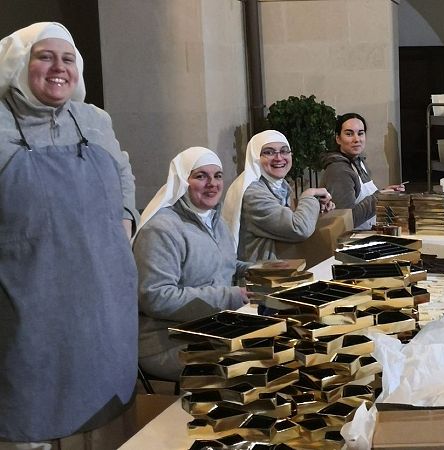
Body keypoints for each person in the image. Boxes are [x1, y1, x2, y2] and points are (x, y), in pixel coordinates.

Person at [0, 23, 138, 447]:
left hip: (102, 300)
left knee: (103, 416)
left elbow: (122, 171)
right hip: (30, 303)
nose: (58, 67)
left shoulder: (94, 119)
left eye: (68, 59)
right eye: (45, 56)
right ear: (20, 63)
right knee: (33, 414)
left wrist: (124, 224)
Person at [134, 147, 250, 380]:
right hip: (168, 342)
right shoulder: (162, 229)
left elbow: (221, 263)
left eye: (217, 176)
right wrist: (231, 297)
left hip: (211, 329)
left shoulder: (214, 219)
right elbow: (156, 297)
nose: (212, 183)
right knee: (256, 361)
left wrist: (260, 272)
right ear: (182, 181)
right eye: (200, 176)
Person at [222, 130, 335, 261]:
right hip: (261, 275)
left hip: (279, 268)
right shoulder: (253, 193)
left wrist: (317, 205)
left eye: (284, 151)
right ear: (255, 158)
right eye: (269, 152)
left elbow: (286, 220)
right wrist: (309, 195)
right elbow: (299, 228)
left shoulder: (280, 185)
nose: (279, 158)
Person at [322, 112, 405, 230]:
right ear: (338, 138)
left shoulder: (358, 162)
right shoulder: (338, 170)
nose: (357, 139)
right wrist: (380, 197)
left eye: (360, 133)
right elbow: (345, 220)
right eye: (349, 134)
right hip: (350, 241)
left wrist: (385, 192)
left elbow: (364, 199)